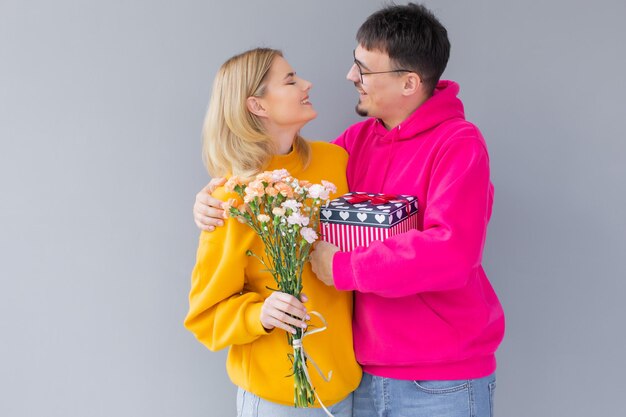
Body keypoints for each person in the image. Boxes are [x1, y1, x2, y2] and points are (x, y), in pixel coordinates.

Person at [193, 4, 505, 417]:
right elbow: (285, 175)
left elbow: (451, 253)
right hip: (361, 381)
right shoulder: (350, 148)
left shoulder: (458, 145)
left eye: (364, 68)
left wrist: (343, 268)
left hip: (439, 381)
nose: (350, 76)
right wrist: (214, 198)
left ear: (409, 82)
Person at [184, 47, 361, 417]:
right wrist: (259, 314)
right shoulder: (232, 198)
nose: (307, 84)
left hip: (347, 391)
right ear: (257, 106)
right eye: (291, 80)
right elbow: (205, 314)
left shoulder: (336, 162)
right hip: (278, 401)